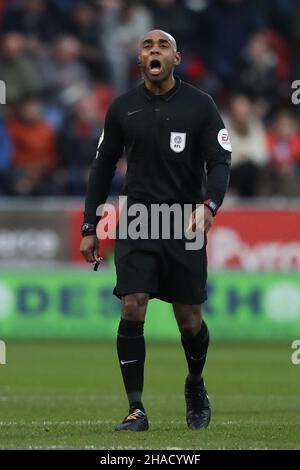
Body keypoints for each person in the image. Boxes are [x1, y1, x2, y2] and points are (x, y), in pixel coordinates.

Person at [80, 30, 231, 432]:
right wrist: (90, 225)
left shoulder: (201, 106)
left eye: (162, 45)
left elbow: (220, 161)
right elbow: (102, 167)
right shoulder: (122, 108)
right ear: (139, 59)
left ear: (176, 58)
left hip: (183, 222)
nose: (154, 51)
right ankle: (136, 409)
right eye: (147, 46)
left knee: (190, 321)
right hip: (139, 220)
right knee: (132, 305)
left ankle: (195, 384)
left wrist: (211, 205)